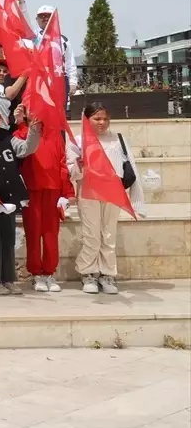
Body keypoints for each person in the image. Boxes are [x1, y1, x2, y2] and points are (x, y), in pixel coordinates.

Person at [69, 103, 146, 295]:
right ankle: (88, 273)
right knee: (92, 235)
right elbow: (71, 172)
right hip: (89, 193)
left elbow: (131, 167)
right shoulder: (78, 141)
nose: (102, 122)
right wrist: (79, 166)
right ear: (87, 120)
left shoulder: (118, 139)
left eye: (105, 118)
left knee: (109, 234)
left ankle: (107, 274)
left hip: (113, 193)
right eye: (97, 119)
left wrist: (137, 201)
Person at [0, 104, 40, 295]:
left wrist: (34, 128)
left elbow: (26, 149)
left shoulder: (5, 137)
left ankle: (8, 278)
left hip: (9, 197)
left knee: (7, 238)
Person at [17, 113, 75, 292]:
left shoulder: (55, 135)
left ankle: (49, 272)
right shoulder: (20, 134)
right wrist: (19, 123)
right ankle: (36, 273)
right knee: (33, 233)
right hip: (31, 190)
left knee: (51, 234)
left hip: (53, 190)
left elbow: (63, 164)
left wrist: (67, 192)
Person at [0, 60, 27, 125]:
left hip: (8, 126)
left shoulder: (16, 88)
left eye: (5, 71)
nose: (1, 73)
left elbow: (10, 95)